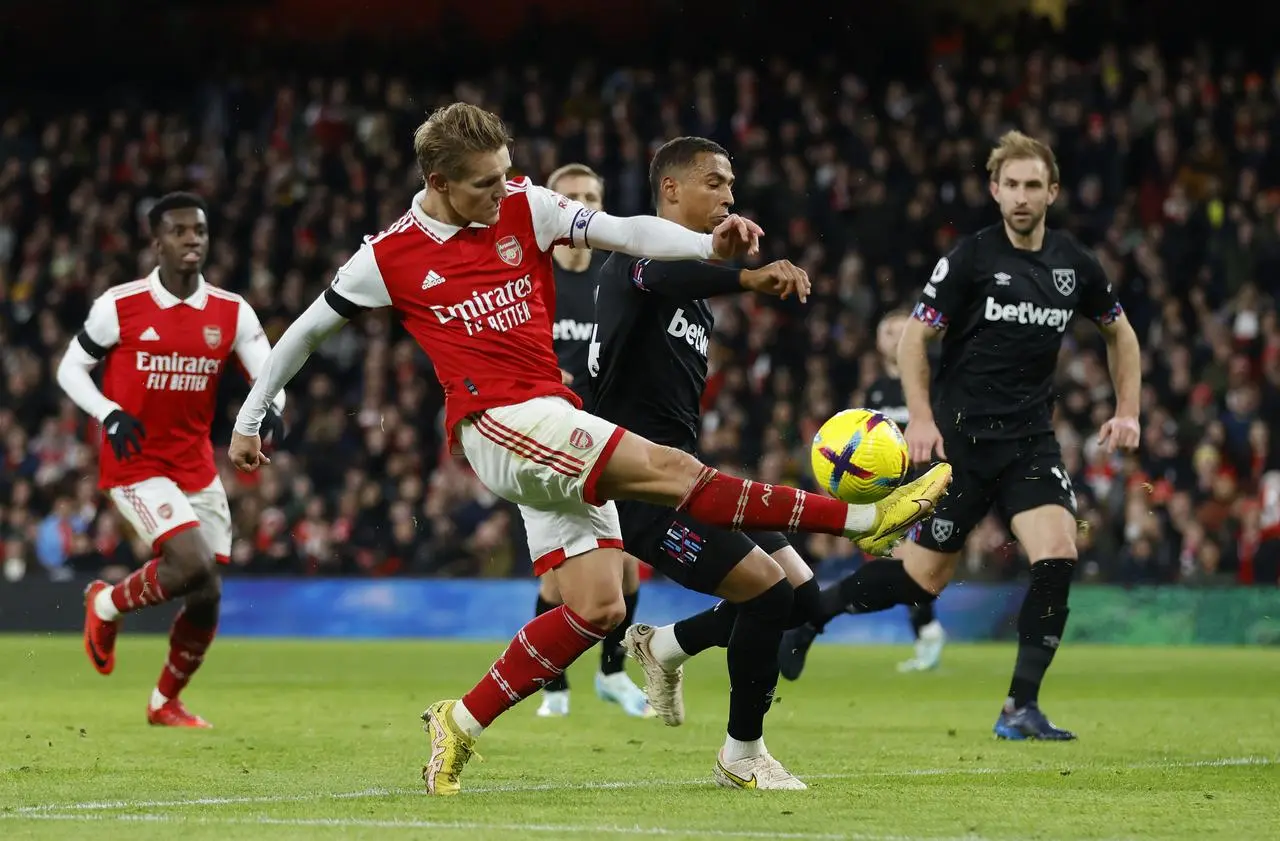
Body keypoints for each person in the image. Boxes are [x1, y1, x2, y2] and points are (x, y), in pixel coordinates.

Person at [228, 103, 950, 795]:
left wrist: (709, 246)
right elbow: (303, 333)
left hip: (552, 419)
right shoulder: (388, 256)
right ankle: (861, 519)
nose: (501, 190)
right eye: (484, 182)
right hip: (497, 423)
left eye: (505, 172)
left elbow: (628, 231)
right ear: (438, 183)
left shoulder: (525, 205)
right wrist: (252, 416)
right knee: (673, 471)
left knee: (599, 607)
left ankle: (460, 718)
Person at [591, 136, 929, 790]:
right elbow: (664, 270)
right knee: (766, 592)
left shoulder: (687, 284)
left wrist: (723, 262)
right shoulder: (635, 256)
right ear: (671, 191)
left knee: (800, 596)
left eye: (731, 185)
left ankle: (666, 645)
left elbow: (685, 276)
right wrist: (745, 275)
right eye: (715, 183)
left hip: (682, 473)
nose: (729, 196)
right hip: (638, 488)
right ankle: (741, 755)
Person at [782, 131, 1142, 740]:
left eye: (1035, 186)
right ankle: (814, 615)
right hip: (961, 444)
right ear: (995, 190)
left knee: (1057, 553)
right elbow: (914, 337)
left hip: (1030, 441)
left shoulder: (1074, 265)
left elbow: (1120, 331)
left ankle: (1019, 707)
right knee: (921, 580)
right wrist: (920, 418)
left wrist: (1127, 409)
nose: (1023, 197)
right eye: (1012, 185)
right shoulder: (971, 259)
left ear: (1052, 192)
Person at [56, 191, 285, 728]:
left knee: (205, 593)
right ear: (156, 240)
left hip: (195, 465)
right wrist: (108, 412)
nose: (192, 241)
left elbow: (270, 373)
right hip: (134, 462)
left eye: (199, 232)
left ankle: (164, 703)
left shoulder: (230, 311)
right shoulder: (121, 305)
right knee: (191, 564)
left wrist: (271, 409)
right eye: (180, 232)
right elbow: (70, 368)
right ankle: (106, 605)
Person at [535, 162, 651, 720]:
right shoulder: (532, 277)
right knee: (561, 581)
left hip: (606, 437)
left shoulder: (615, 278)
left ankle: (611, 673)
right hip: (545, 442)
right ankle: (553, 685)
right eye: (570, 197)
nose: (581, 205)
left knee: (626, 566)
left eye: (590, 196)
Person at [777, 310, 948, 678]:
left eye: (903, 331)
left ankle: (924, 630)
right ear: (878, 340)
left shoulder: (934, 380)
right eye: (888, 331)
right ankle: (925, 631)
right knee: (907, 568)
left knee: (910, 568)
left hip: (930, 487)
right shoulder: (875, 392)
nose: (895, 338)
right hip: (887, 495)